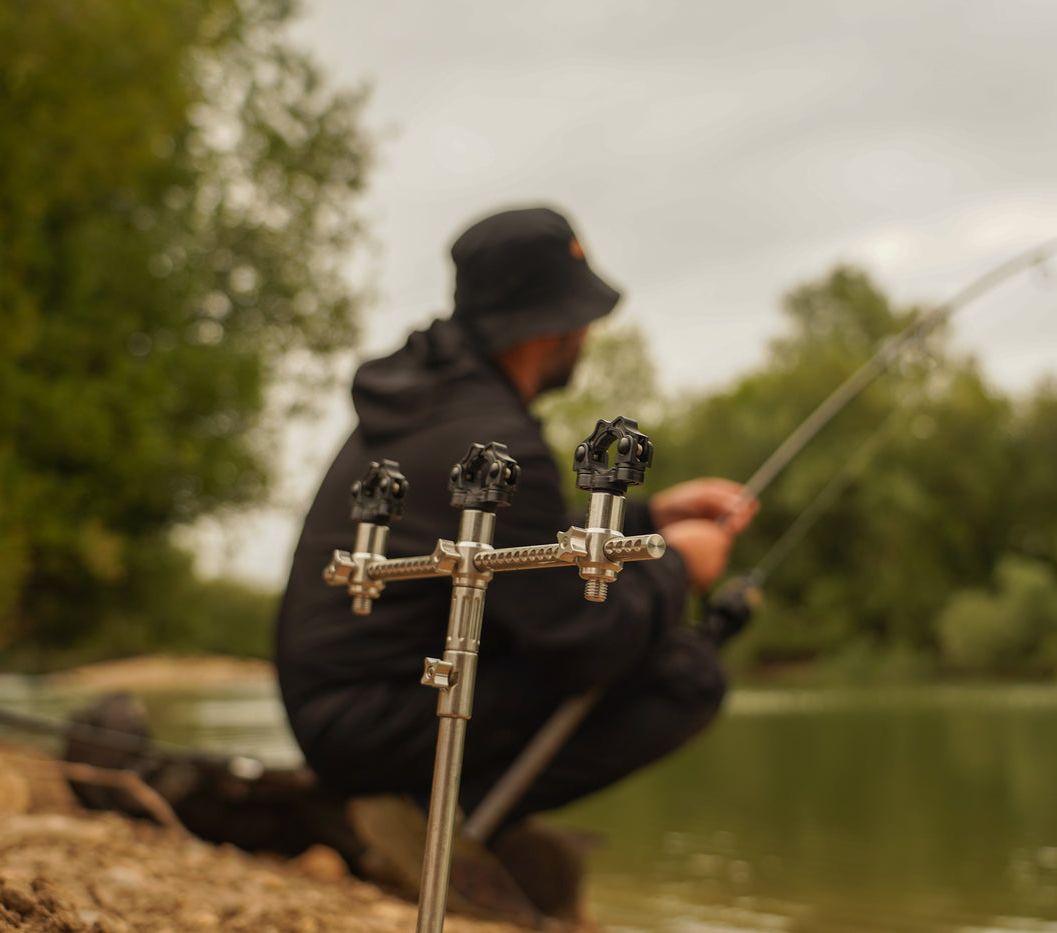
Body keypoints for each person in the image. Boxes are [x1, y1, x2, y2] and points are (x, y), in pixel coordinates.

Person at [274, 205, 756, 920]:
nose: (588, 333)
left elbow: (520, 558)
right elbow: (586, 639)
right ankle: (439, 816)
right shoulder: (494, 438)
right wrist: (679, 568)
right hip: (373, 726)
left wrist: (651, 522)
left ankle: (443, 810)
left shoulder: (436, 402)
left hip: (344, 711)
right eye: (582, 316)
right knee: (682, 673)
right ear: (548, 327)